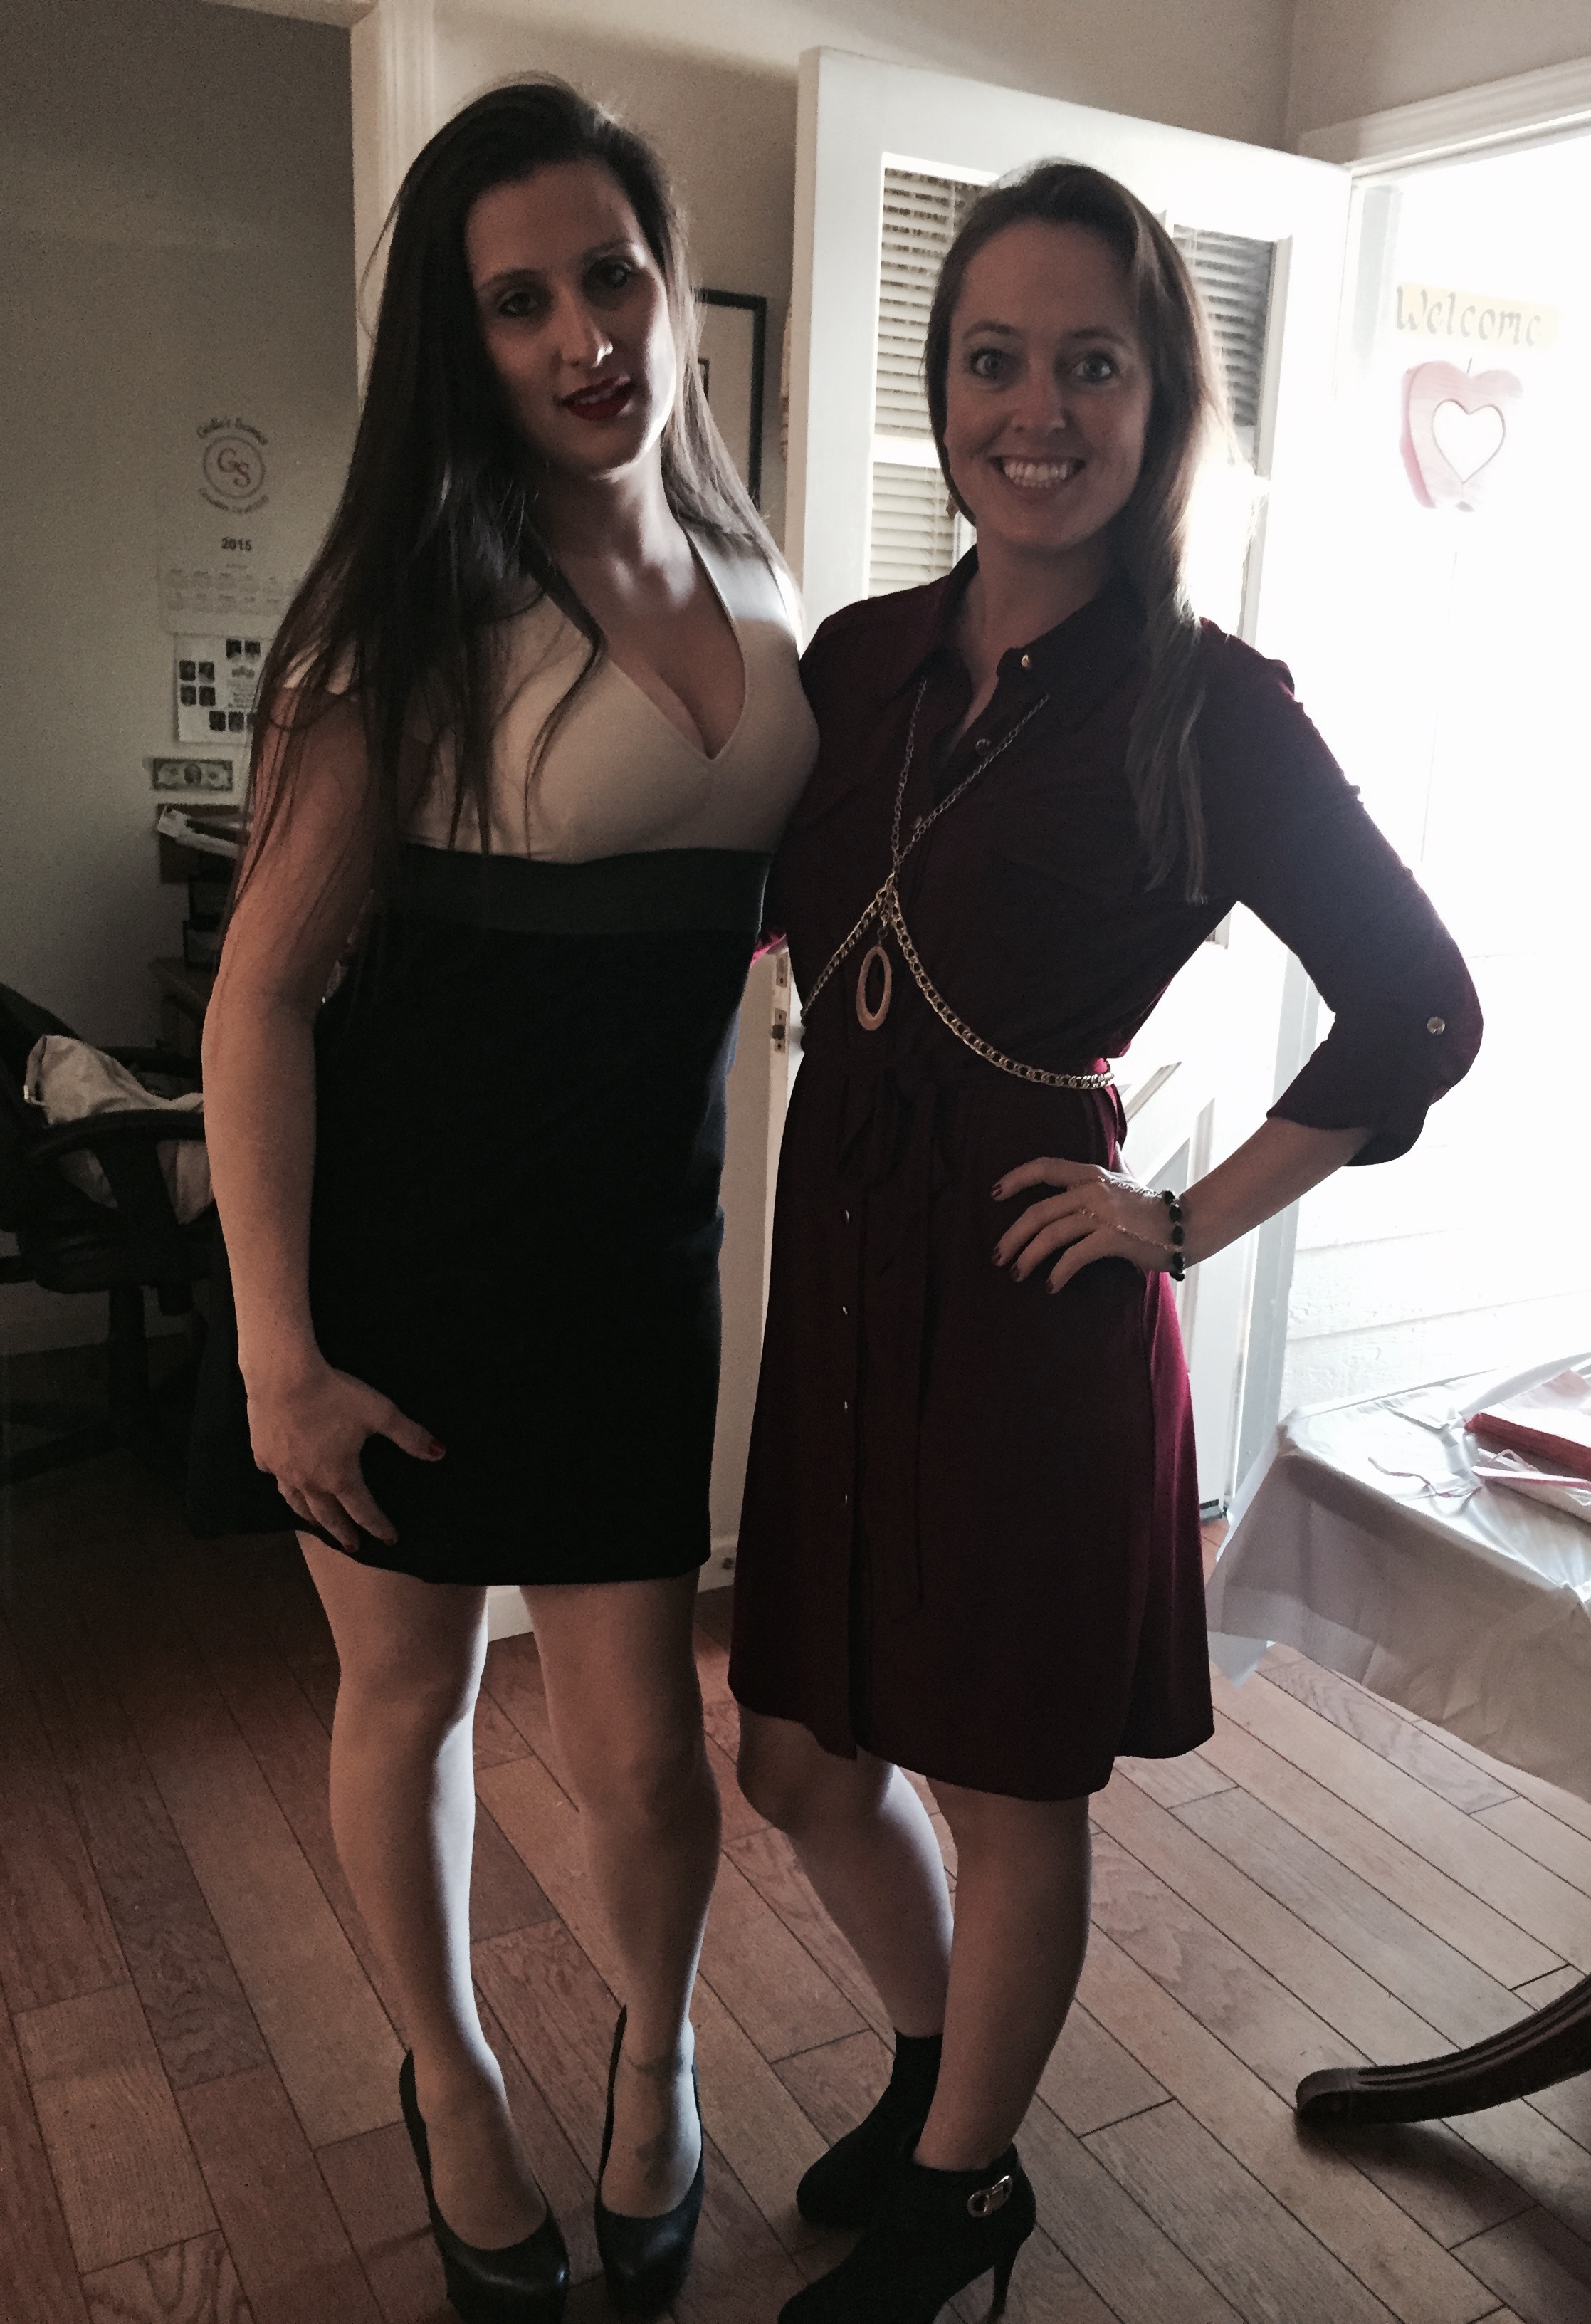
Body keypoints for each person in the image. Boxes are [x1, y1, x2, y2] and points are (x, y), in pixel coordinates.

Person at [728, 159, 1481, 2323]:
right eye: (993, 360)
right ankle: (935, 2067)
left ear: (1163, 404)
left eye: (1091, 365)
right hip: (845, 1272)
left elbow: (1422, 1005)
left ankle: (965, 2188)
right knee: (796, 1752)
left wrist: (1180, 1217)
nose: (1034, 411)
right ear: (942, 387)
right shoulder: (861, 660)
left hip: (1032, 1294)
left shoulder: (1212, 707)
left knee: (1000, 1775)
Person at [191, 80, 816, 2324]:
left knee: (647, 1750)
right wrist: (278, 1354)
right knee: (412, 1699)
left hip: (642, 1262)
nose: (585, 336)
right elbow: (260, 1003)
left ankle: (659, 2062)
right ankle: (450, 2083)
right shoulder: (401, 616)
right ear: (461, 344)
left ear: (668, 279)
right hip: (412, 1270)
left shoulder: (761, 576)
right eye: (520, 301)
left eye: (611, 276)